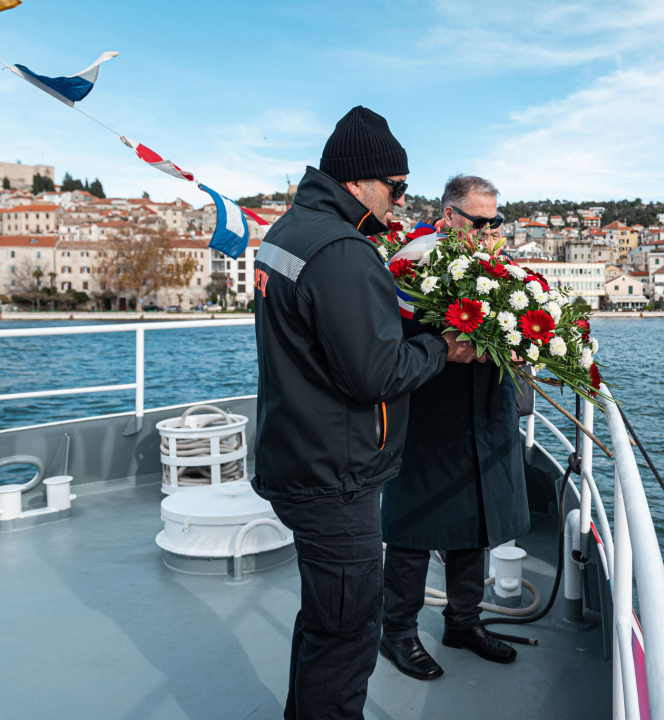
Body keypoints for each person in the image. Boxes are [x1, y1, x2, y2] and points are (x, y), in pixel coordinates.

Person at [251, 107, 479, 720]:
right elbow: (376, 375)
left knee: (323, 618)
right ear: (358, 181)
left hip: (294, 451)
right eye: (396, 188)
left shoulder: (288, 233)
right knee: (348, 632)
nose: (401, 202)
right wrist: (444, 347)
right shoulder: (343, 251)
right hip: (336, 473)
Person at [379, 174, 531, 680]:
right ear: (449, 217)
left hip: (485, 410)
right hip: (429, 410)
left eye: (497, 222)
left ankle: (464, 623)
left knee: (475, 523)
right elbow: (391, 336)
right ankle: (396, 633)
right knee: (413, 525)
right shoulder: (413, 262)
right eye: (479, 222)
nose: (490, 232)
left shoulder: (502, 267)